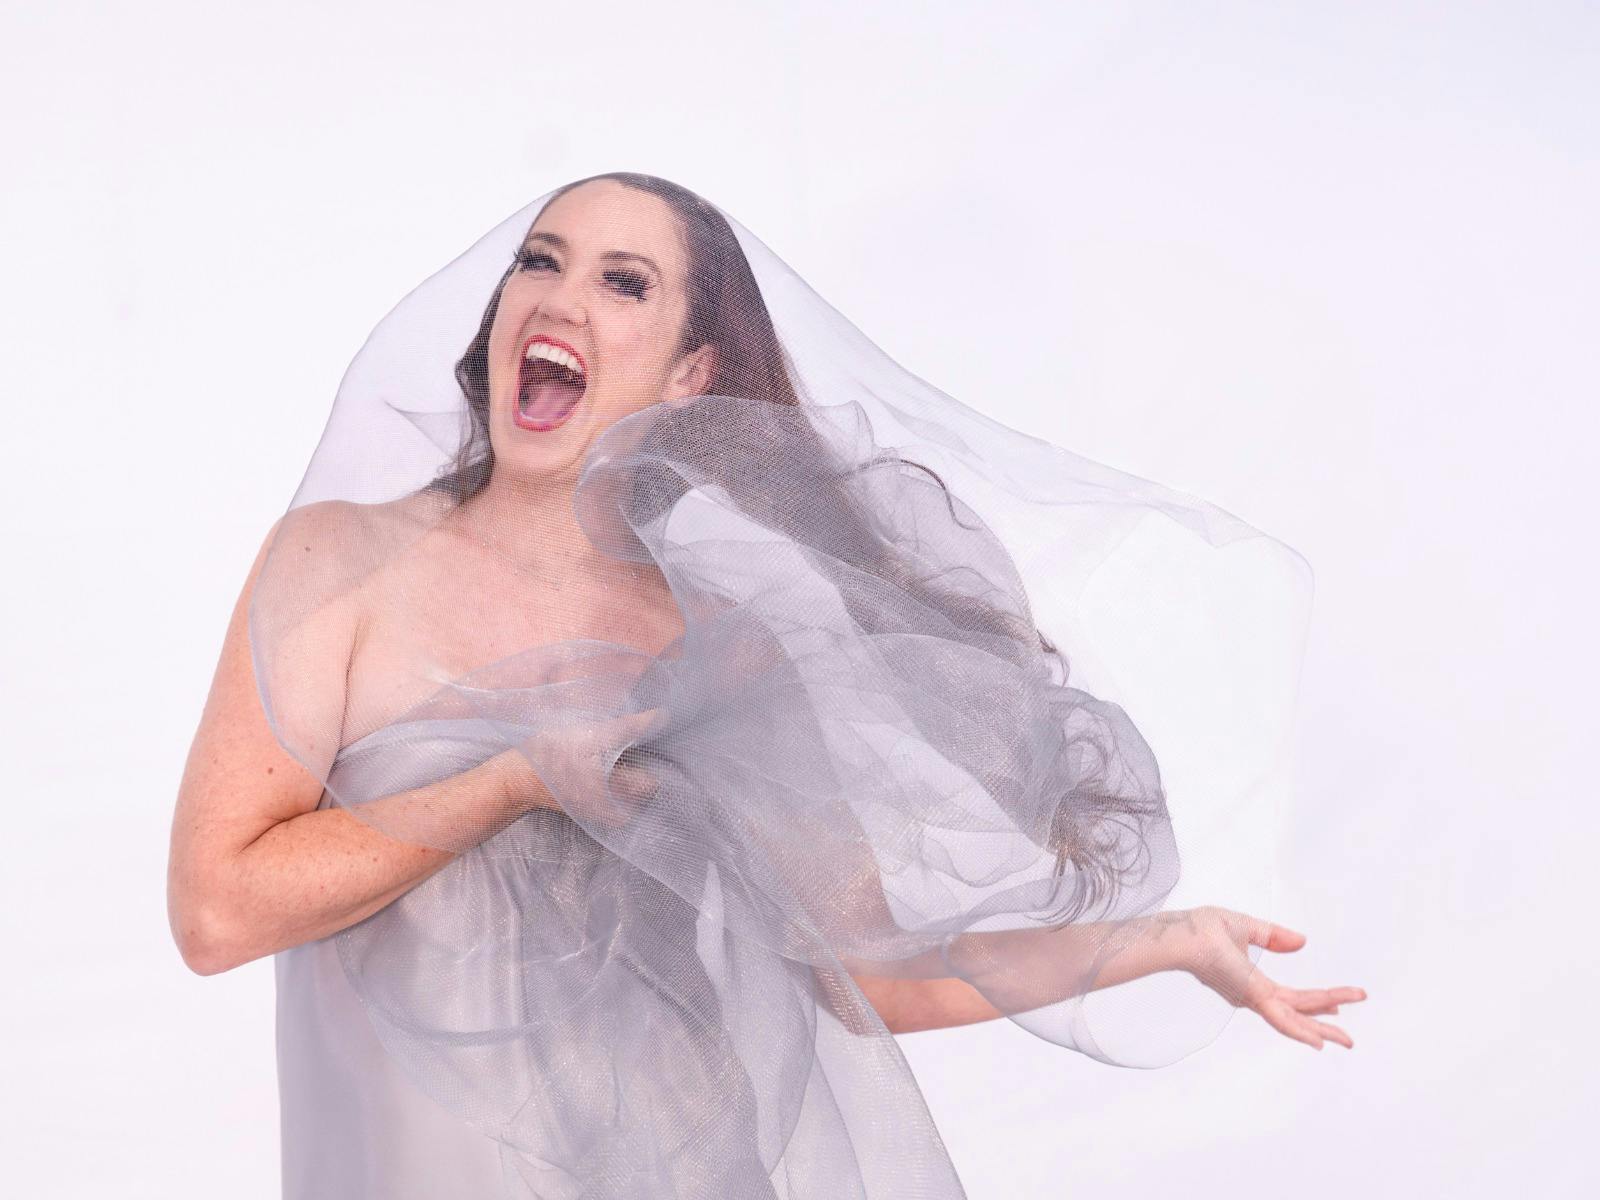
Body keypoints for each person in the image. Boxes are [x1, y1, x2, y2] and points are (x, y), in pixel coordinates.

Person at [168, 172, 1365, 1198]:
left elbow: (859, 976)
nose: (558, 297)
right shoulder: (342, 560)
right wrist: (512, 785)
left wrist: (1163, 939)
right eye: (543, 260)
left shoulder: (725, 645)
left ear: (692, 375)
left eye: (623, 282)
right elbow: (217, 914)